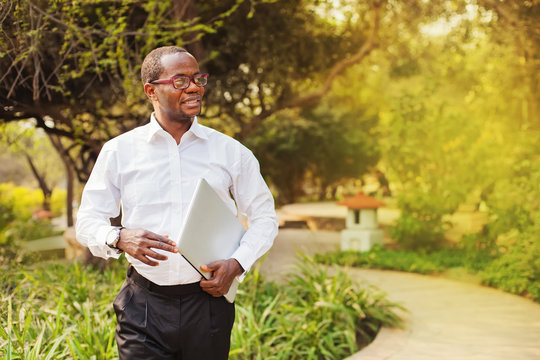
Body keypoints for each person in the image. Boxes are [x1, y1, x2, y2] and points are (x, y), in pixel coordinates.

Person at [76, 46, 279, 360]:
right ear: (151, 91)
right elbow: (88, 220)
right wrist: (118, 237)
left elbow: (265, 217)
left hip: (208, 308)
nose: (195, 87)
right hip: (143, 307)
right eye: (181, 80)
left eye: (198, 79)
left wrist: (237, 264)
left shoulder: (231, 152)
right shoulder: (119, 152)